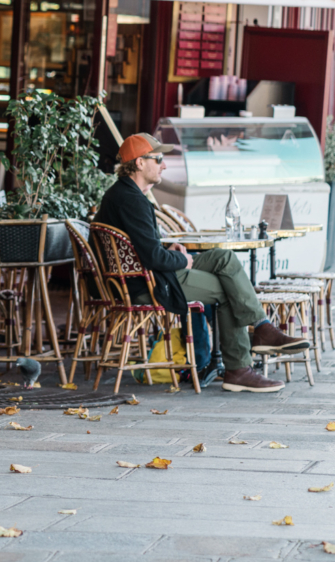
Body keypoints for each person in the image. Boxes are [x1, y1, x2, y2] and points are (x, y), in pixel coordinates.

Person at [93, 133, 309, 393]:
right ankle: (240, 368)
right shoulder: (132, 200)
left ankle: (261, 329)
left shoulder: (123, 194)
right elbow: (153, 258)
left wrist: (168, 249)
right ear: (139, 163)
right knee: (229, 287)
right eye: (159, 158)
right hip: (151, 284)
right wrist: (181, 258)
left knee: (223, 257)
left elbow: (146, 249)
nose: (164, 165)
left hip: (148, 275)